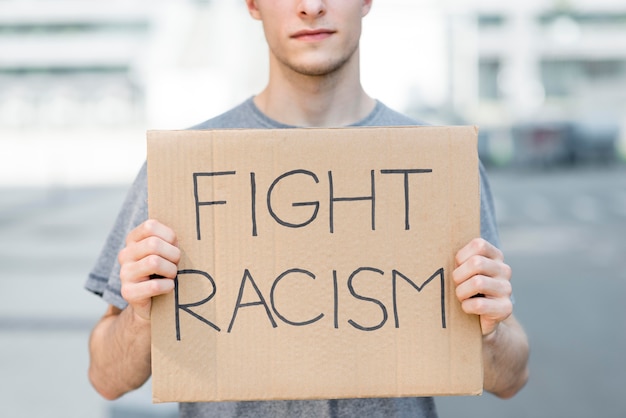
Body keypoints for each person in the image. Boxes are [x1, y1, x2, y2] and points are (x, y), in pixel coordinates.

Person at [85, 1, 530, 417]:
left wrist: (489, 330)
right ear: (253, 3)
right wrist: (142, 317)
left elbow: (511, 378)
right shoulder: (184, 168)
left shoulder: (439, 165)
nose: (312, 5)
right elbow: (106, 378)